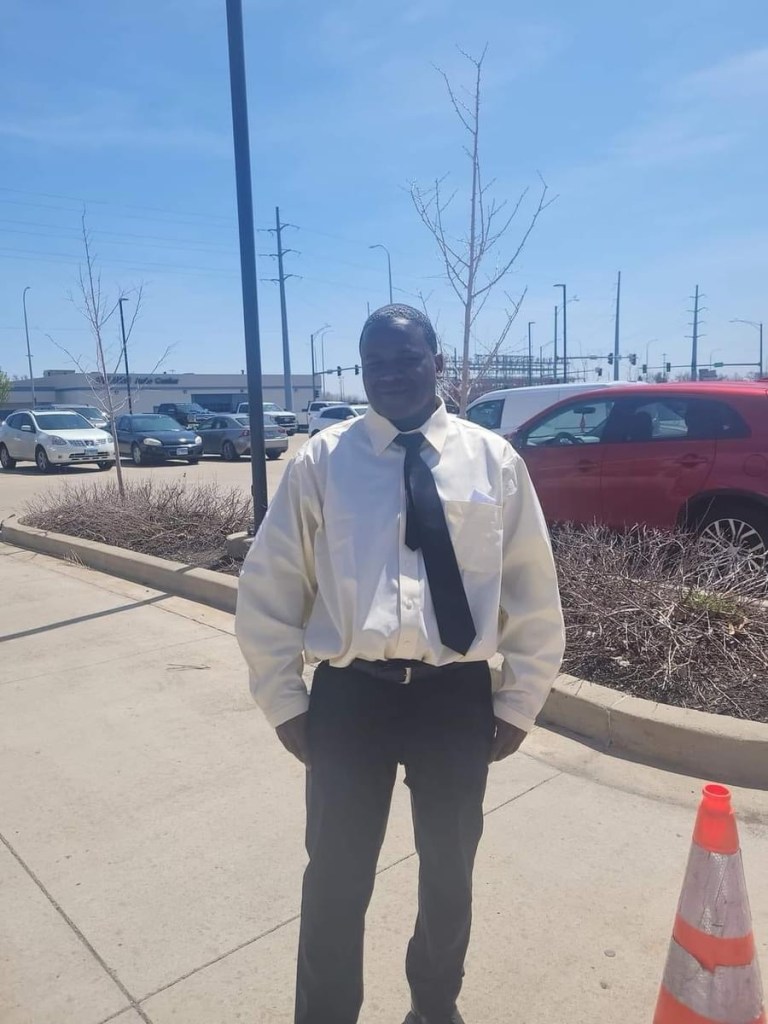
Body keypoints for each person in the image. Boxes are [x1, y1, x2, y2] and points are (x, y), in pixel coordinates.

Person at [236, 304, 565, 1024]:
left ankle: (434, 1009)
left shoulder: (492, 461)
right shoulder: (323, 462)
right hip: (352, 698)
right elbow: (271, 586)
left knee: (449, 876)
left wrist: (519, 701)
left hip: (455, 699)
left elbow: (532, 588)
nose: (389, 374)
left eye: (406, 359)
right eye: (374, 363)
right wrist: (285, 701)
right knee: (335, 878)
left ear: (437, 363)